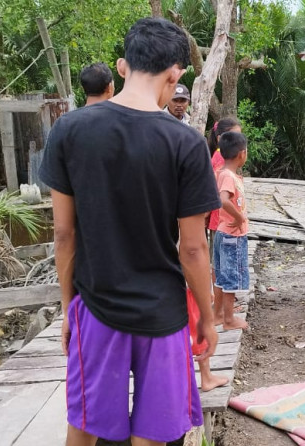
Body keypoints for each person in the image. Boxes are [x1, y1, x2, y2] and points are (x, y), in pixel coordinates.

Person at [40, 17, 219, 446]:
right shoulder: (186, 144)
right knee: (153, 436)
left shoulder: (69, 129)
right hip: (162, 315)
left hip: (97, 308)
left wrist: (69, 308)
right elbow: (192, 250)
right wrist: (208, 319)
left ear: (126, 64)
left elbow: (64, 236)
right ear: (175, 73)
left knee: (83, 427)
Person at [213, 131, 251, 331]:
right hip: (232, 236)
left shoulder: (224, 173)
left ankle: (217, 315)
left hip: (222, 233)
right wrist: (239, 217)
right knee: (230, 278)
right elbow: (223, 200)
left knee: (220, 276)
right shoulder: (227, 176)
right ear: (241, 154)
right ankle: (229, 319)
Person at [205, 117, 243, 319]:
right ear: (221, 138)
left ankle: (220, 308)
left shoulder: (219, 156)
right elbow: (222, 196)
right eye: (235, 136)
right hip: (224, 221)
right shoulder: (222, 160)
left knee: (219, 265)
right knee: (224, 267)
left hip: (218, 220)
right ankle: (220, 311)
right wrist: (239, 218)